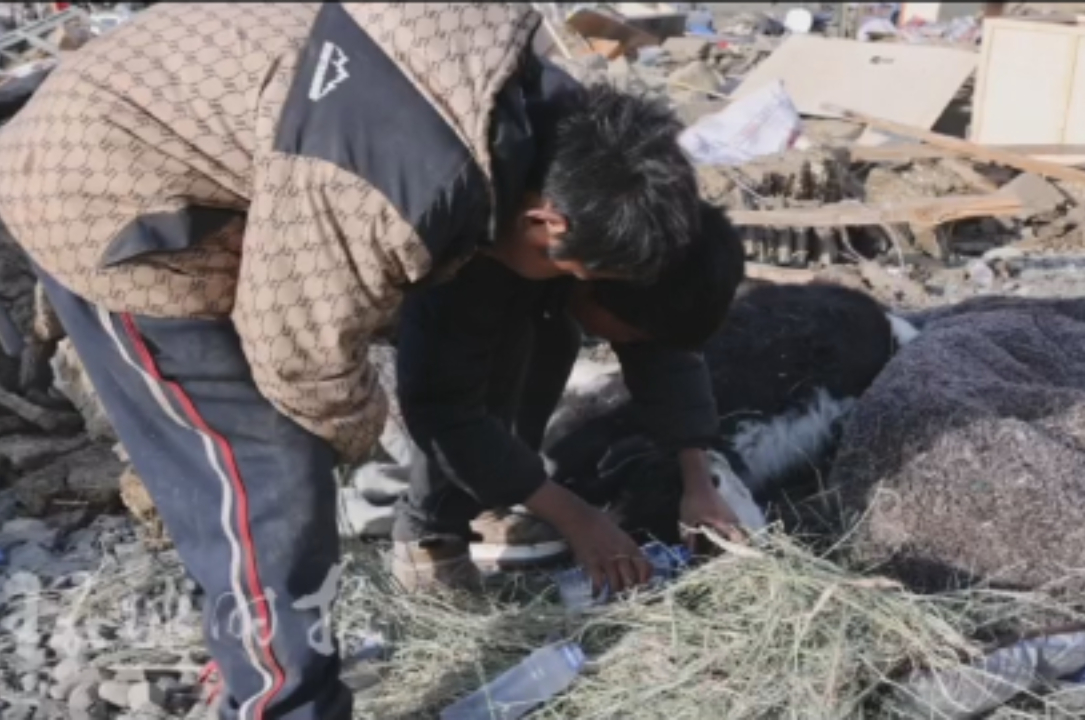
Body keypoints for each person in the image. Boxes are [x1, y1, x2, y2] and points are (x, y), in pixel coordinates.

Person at [0, 4, 704, 719]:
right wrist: (363, 441)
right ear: (545, 221)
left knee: (310, 455)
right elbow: (301, 361)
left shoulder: (542, 118)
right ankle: (283, 700)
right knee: (268, 476)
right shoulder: (395, 193)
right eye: (572, 269)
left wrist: (691, 460)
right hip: (105, 191)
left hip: (201, 123)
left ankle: (260, 651)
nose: (566, 289)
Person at [391, 201, 749, 593]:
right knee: (487, 360)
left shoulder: (647, 234)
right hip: (396, 267)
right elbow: (445, 408)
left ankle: (504, 491)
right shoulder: (479, 249)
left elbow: (663, 355)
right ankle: (428, 534)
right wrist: (577, 519)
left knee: (556, 337)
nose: (633, 347)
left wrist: (699, 484)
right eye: (631, 338)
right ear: (592, 280)